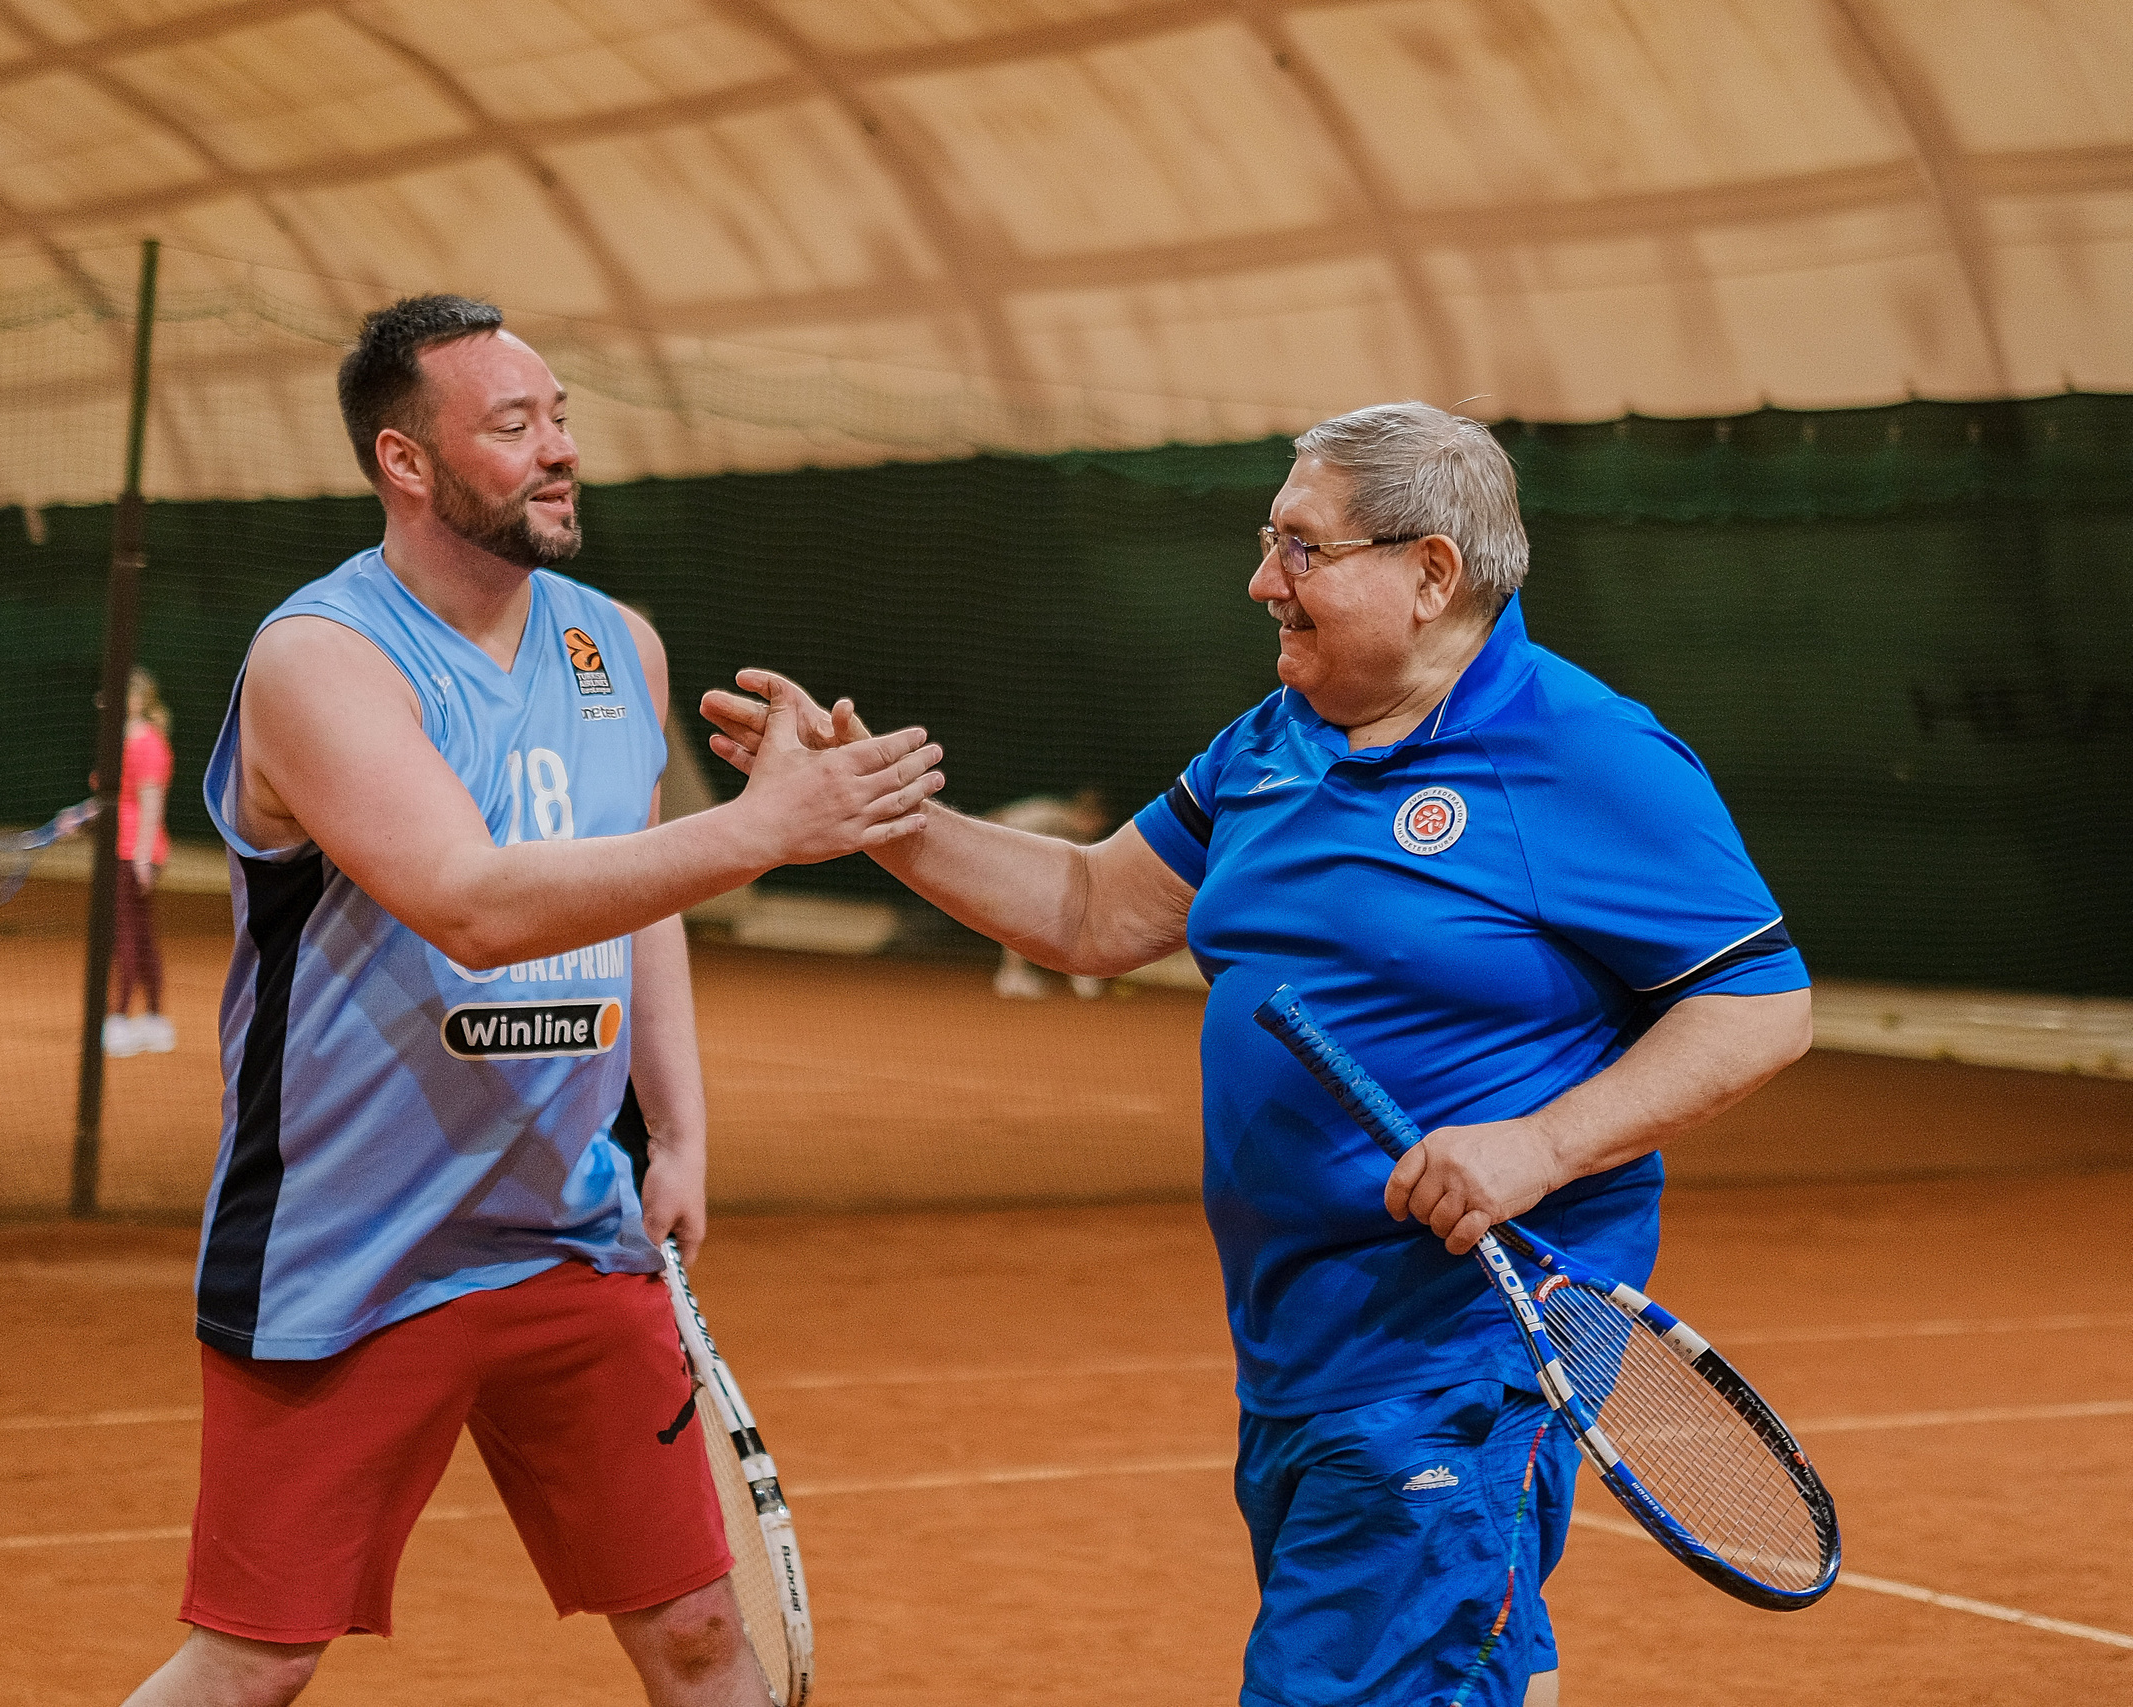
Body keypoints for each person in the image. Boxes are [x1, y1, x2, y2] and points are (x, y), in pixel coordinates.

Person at [703, 401, 1812, 1707]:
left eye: (1300, 548)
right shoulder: (1271, 742)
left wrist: (1538, 1145)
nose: (1261, 581)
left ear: (1431, 571)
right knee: (1467, 1665)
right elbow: (1094, 908)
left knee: (1339, 1674)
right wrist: (877, 817)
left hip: (1460, 1344)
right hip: (1299, 1330)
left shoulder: (1585, 753)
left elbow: (1759, 1005)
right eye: (1267, 540)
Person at [120, 295, 943, 1707]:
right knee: (256, 1660)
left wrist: (677, 1126)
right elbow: (472, 901)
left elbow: (639, 895)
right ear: (406, 460)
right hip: (351, 1244)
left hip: (571, 1228)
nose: (559, 449)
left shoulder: (617, 641)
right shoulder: (322, 657)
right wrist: (764, 827)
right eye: (513, 426)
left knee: (695, 1631)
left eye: (559, 415)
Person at [103, 666, 174, 1057]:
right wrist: (78, 818)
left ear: (135, 700)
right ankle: (155, 1021)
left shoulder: (147, 744)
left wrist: (143, 857)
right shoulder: (121, 741)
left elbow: (151, 804)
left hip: (135, 852)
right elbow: (115, 801)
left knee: (126, 935)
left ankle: (120, 1020)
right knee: (142, 935)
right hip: (127, 848)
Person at [982, 789, 1111, 999]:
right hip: (993, 858)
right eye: (1097, 820)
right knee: (1023, 914)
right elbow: (997, 819)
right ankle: (1013, 976)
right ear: (1088, 815)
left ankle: (1077, 973)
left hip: (1010, 864)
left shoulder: (1073, 834)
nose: (1097, 828)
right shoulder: (1052, 815)